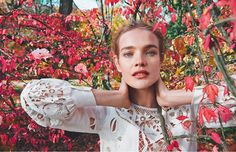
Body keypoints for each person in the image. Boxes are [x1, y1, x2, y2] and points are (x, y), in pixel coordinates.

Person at [20, 21, 236, 151]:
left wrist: (174, 98)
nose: (139, 61)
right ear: (117, 63)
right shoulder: (105, 114)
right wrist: (113, 98)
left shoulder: (189, 110)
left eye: (150, 52)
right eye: (128, 53)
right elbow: (33, 99)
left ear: (161, 58)